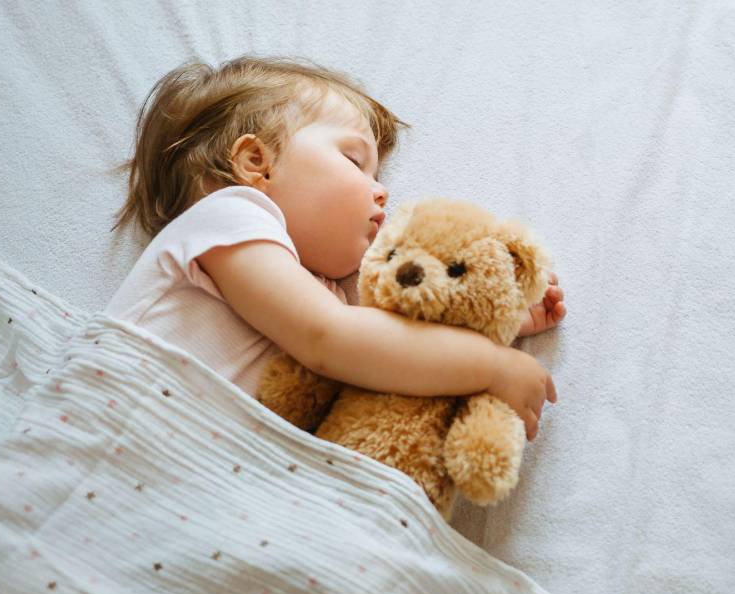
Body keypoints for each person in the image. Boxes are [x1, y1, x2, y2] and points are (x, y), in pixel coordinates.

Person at [106, 55, 566, 441]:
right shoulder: (229, 217)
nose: (381, 192)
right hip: (116, 437)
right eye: (354, 161)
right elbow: (331, 339)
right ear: (255, 164)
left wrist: (484, 320)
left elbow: (386, 346)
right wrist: (489, 364)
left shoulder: (325, 291)